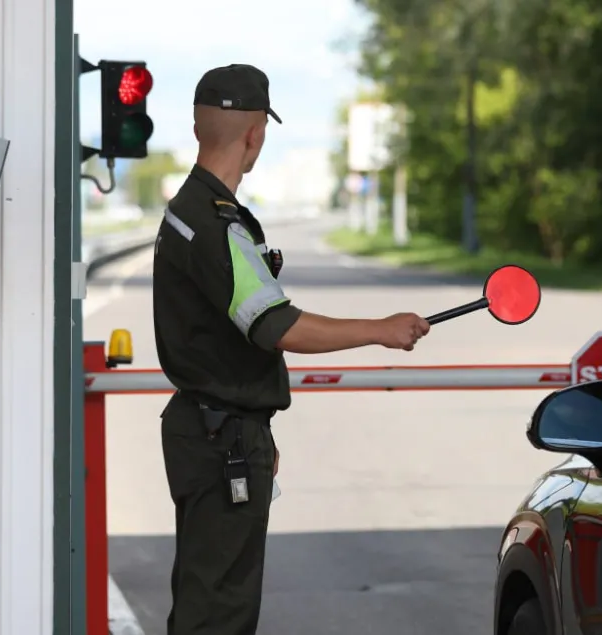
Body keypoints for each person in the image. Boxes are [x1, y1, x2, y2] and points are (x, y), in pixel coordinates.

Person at [152, 63, 432, 635]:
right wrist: (381, 327)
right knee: (219, 612)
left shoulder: (186, 213)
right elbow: (277, 326)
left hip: (214, 429)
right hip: (221, 438)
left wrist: (256, 428)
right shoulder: (215, 225)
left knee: (207, 596)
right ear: (255, 134)